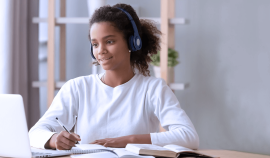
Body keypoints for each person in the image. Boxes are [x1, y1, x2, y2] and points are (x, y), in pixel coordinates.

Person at [29, 3, 199, 150]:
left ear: (133, 42)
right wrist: (52, 139)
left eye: (109, 41)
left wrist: (129, 140)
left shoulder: (153, 89)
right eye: (95, 44)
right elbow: (34, 133)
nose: (100, 50)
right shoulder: (77, 88)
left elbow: (189, 137)